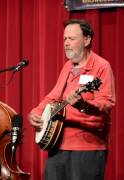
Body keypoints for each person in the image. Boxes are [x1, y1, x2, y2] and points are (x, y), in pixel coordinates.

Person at [28, 19, 116, 180]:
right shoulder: (68, 66)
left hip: (86, 149)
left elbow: (106, 104)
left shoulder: (102, 66)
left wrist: (83, 104)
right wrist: (36, 112)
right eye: (65, 39)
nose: (66, 43)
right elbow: (53, 97)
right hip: (58, 145)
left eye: (71, 39)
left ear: (87, 40)